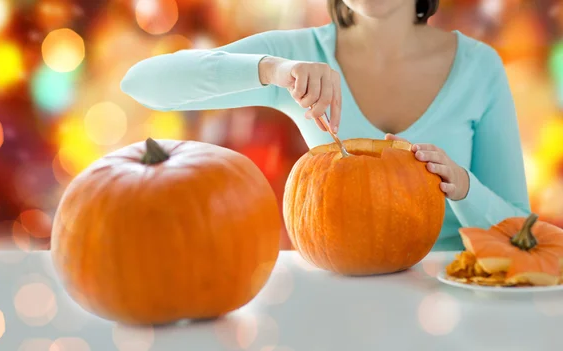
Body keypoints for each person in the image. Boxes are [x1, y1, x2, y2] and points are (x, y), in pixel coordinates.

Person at [120, 0, 531, 250]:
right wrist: (273, 69)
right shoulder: (297, 53)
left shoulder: (479, 67)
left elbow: (521, 234)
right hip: (337, 293)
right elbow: (142, 83)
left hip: (455, 295)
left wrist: (463, 187)